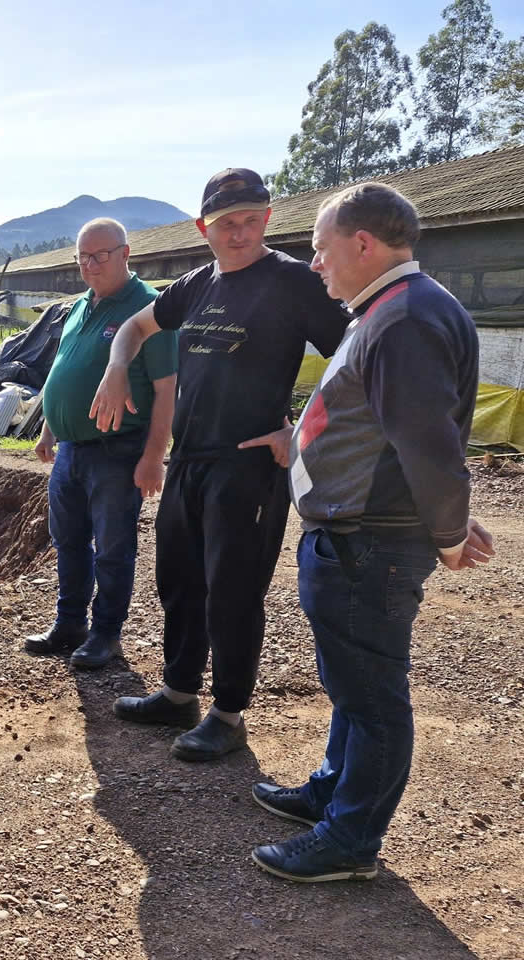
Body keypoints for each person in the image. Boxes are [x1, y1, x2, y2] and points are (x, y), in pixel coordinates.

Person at [249, 183, 493, 882]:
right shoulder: (387, 310)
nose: (316, 265)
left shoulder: (405, 319)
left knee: (373, 696)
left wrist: (446, 534)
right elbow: (386, 428)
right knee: (351, 681)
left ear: (362, 244)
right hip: (360, 534)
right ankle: (332, 791)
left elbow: (427, 444)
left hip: (372, 542)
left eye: (322, 250)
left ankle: (351, 840)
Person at [90, 168, 351, 761]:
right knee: (179, 582)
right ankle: (179, 692)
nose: (240, 234)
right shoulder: (196, 285)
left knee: (233, 591)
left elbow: (356, 357)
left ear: (267, 218)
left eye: (252, 221)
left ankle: (228, 714)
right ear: (204, 227)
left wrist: (300, 428)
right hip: (190, 460)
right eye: (227, 224)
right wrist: (115, 366)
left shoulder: (293, 283)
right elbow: (134, 326)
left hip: (247, 466)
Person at [23, 218, 177, 670]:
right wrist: (51, 427)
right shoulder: (80, 306)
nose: (90, 265)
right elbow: (62, 367)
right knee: (68, 540)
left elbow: (167, 390)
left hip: (118, 451)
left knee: (113, 546)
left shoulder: (150, 310)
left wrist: (153, 456)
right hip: (71, 448)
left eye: (100, 256)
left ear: (126, 254)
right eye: (83, 257)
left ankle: (106, 632)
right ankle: (69, 623)